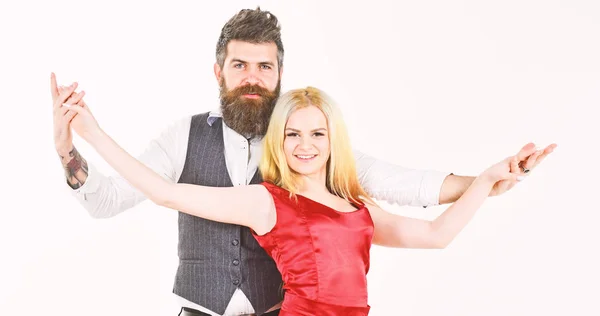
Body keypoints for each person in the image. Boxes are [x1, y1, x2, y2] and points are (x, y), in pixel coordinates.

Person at [51, 7, 555, 316]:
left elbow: (410, 192)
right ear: (219, 71)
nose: (252, 77)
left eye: (264, 66)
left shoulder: (315, 153)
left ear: (279, 73)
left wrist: (487, 180)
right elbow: (132, 197)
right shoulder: (206, 153)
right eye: (239, 65)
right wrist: (79, 140)